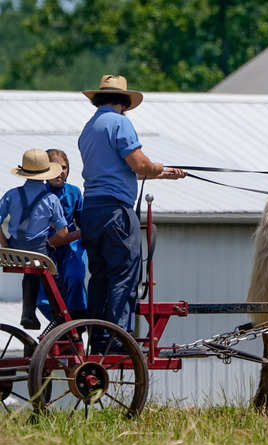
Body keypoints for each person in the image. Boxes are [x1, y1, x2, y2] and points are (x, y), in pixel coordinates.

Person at [78, 75, 184, 349]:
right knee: (124, 272)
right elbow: (139, 164)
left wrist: (162, 174)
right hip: (116, 212)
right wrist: (157, 168)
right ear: (124, 102)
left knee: (100, 274)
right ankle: (118, 336)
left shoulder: (89, 128)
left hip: (91, 209)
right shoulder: (120, 123)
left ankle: (99, 337)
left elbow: (115, 171)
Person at [0, 149, 80, 329]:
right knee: (53, 274)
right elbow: (62, 233)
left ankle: (27, 312)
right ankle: (59, 315)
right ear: (46, 172)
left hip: (13, 251)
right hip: (39, 253)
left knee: (30, 271)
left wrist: (4, 242)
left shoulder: (11, 194)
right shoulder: (51, 199)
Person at [36, 149, 88, 326]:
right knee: (44, 295)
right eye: (54, 167)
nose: (60, 171)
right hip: (46, 248)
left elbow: (83, 222)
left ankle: (77, 321)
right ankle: (59, 323)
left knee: (75, 278)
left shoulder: (74, 192)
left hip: (71, 246)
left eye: (64, 167)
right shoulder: (37, 194)